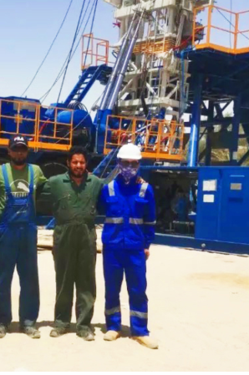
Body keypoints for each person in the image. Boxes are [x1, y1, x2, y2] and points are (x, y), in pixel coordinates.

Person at [0, 136, 47, 339]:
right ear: (9, 151)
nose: (19, 153)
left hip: (28, 233)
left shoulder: (35, 171)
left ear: (27, 151)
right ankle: (2, 322)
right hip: (5, 233)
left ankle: (28, 322)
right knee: (3, 279)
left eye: (22, 149)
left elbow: (51, 189)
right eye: (15, 149)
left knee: (29, 280)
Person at [101, 143, 158, 349]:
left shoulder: (145, 189)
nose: (129, 167)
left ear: (139, 165)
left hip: (135, 248)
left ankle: (140, 331)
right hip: (112, 247)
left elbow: (150, 220)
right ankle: (113, 327)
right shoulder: (108, 189)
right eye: (126, 163)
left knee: (138, 289)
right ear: (118, 163)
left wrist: (147, 244)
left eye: (134, 163)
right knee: (112, 288)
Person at [44, 146, 103, 341]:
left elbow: (112, 194)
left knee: (86, 282)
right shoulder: (55, 182)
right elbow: (33, 191)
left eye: (82, 162)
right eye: (75, 162)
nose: (78, 165)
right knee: (64, 281)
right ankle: (61, 323)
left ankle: (84, 325)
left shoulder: (96, 183)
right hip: (64, 236)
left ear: (86, 164)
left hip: (87, 236)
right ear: (68, 163)